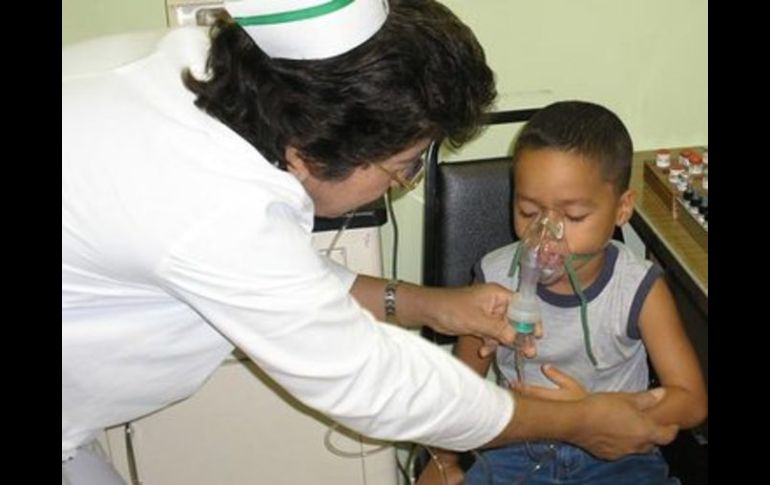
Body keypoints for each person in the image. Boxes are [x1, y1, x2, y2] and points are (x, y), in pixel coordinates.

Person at [62, 1, 676, 483]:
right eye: (403, 167)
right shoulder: (205, 203)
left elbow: (281, 277)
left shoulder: (207, 77)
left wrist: (432, 305)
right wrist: (576, 421)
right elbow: (373, 383)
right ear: (314, 147)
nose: (403, 183)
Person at [418, 100, 707, 485]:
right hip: (517, 447)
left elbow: (691, 401)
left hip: (617, 456)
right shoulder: (494, 282)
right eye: (528, 211)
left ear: (621, 209)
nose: (545, 236)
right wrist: (443, 462)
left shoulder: (637, 288)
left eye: (573, 217)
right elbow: (463, 386)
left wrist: (602, 413)